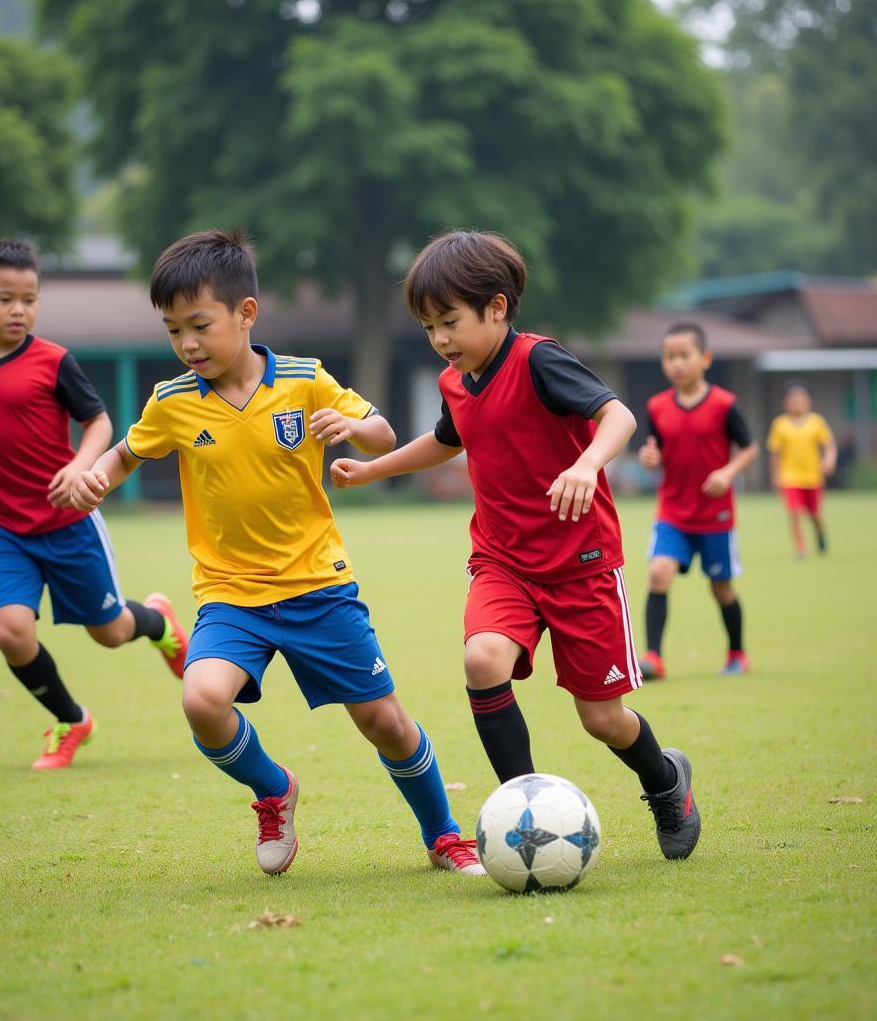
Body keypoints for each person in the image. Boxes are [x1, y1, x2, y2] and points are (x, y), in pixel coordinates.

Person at [69, 229, 483, 877]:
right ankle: (272, 789)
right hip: (231, 594)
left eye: (200, 326)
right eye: (173, 331)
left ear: (246, 314)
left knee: (385, 723)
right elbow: (126, 454)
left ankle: (444, 834)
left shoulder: (303, 380)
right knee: (202, 700)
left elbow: (382, 431)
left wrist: (353, 428)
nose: (187, 345)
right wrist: (95, 476)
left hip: (318, 586)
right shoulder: (172, 401)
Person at [331, 230, 700, 861]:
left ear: (497, 308)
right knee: (483, 661)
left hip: (581, 564)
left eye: (450, 321)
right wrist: (376, 468)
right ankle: (521, 814)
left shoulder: (539, 361)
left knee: (602, 720)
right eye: (428, 327)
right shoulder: (457, 380)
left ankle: (667, 783)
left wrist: (586, 465)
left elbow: (619, 417)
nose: (441, 340)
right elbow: (450, 438)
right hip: (502, 561)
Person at [0, 238, 188, 770]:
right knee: (11, 632)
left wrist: (80, 465)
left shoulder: (54, 362)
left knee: (112, 633)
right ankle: (72, 720)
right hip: (2, 529)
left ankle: (159, 623)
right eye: (6, 298)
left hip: (69, 524)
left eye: (30, 298)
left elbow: (98, 422)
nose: (19, 309)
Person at [636, 323, 759, 680]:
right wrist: (651, 460)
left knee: (721, 587)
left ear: (704, 359)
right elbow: (656, 450)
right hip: (673, 511)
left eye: (684, 355)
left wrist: (727, 472)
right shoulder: (656, 407)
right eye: (669, 356)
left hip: (715, 515)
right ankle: (653, 658)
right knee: (658, 573)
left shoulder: (724, 405)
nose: (677, 363)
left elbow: (750, 447)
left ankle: (737, 653)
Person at [767, 380, 836, 558]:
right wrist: (776, 477)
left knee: (814, 514)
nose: (797, 402)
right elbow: (775, 453)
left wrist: (829, 459)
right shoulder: (779, 424)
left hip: (813, 476)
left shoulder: (816, 422)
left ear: (808, 401)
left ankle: (820, 533)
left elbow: (829, 445)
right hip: (790, 476)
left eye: (801, 398)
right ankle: (800, 548)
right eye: (793, 398)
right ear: (785, 402)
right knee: (795, 513)